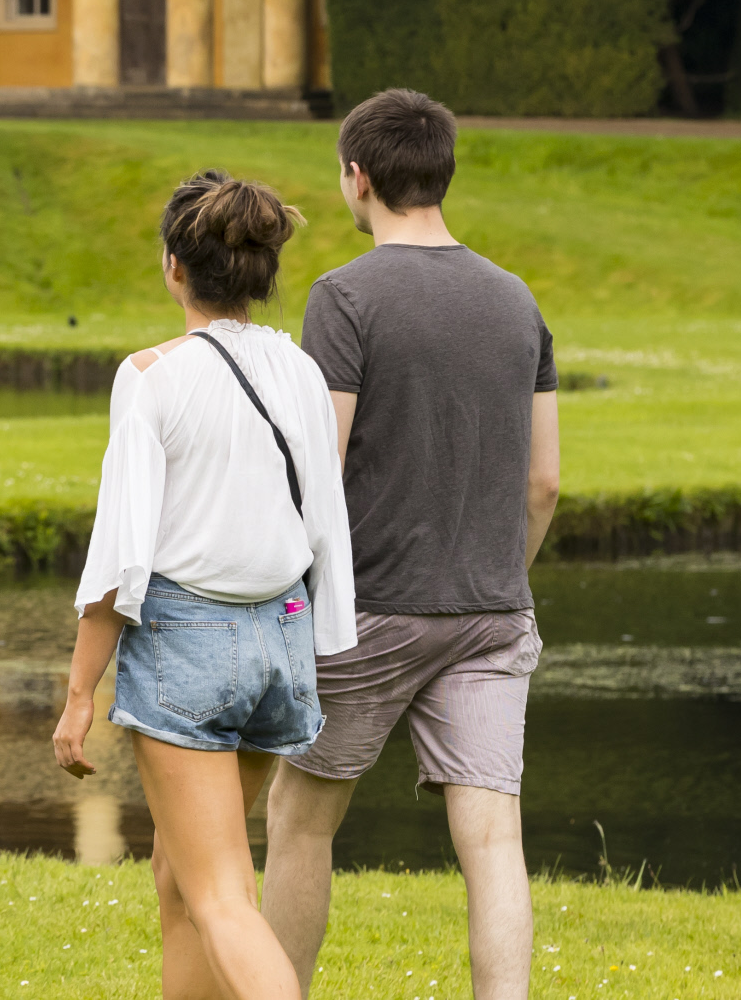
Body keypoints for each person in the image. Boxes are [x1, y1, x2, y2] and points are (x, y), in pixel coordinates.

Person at [260, 89, 562, 1000]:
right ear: (443, 170)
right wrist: (503, 575)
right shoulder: (516, 298)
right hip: (493, 608)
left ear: (359, 177)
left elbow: (323, 465)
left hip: (370, 608)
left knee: (302, 821)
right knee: (494, 836)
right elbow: (543, 483)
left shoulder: (344, 297)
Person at [54, 170, 355, 1000]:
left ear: (173, 267)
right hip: (284, 639)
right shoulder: (298, 367)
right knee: (183, 876)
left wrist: (81, 690)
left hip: (189, 645)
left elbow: (120, 560)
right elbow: (326, 520)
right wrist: (326, 649)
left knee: (218, 893)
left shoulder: (151, 376)